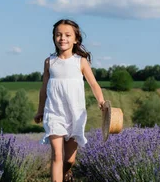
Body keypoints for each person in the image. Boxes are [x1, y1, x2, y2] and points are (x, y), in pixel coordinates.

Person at [34, 19, 106, 182]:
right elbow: (44, 88)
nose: (62, 38)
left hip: (75, 114)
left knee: (69, 160)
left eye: (67, 35)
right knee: (57, 156)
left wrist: (101, 101)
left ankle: (65, 173)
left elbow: (94, 84)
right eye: (58, 35)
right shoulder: (49, 62)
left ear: (75, 39)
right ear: (54, 38)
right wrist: (40, 110)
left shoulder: (80, 62)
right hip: (54, 113)